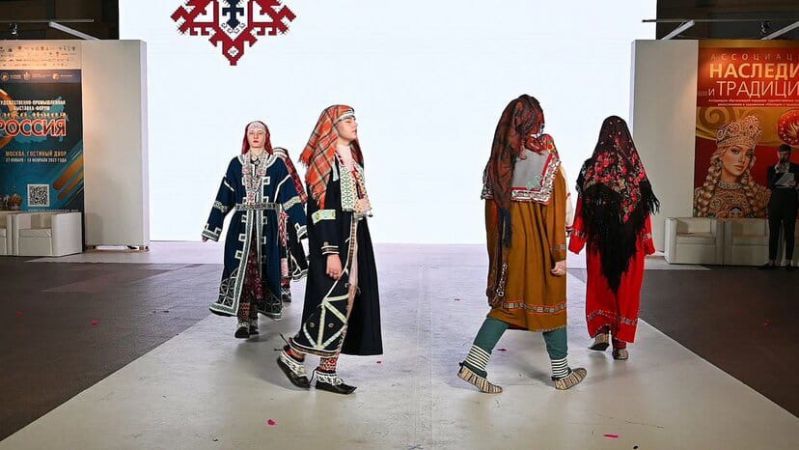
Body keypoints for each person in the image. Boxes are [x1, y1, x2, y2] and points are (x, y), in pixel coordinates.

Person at [459, 95, 587, 394]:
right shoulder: (545, 157)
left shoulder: (498, 162)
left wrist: (498, 255)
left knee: (507, 305)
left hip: (509, 248)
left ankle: (474, 366)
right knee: (551, 301)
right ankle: (560, 372)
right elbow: (554, 211)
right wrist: (559, 253)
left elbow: (491, 217)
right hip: (540, 246)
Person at [277, 105, 382, 395]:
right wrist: (330, 252)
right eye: (348, 120)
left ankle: (327, 371)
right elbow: (320, 211)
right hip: (334, 243)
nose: (354, 123)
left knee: (348, 303)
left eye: (354, 118)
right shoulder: (323, 163)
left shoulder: (353, 160)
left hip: (356, 238)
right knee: (329, 304)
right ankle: (294, 353)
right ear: (332, 127)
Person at [202, 121, 307, 338]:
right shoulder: (235, 164)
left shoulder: (277, 165)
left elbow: (290, 197)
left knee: (261, 272)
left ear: (266, 137)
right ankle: (243, 320)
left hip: (267, 228)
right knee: (241, 271)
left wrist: (301, 225)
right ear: (246, 136)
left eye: (260, 132)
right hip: (240, 227)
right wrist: (212, 225)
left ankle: (254, 317)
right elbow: (224, 195)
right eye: (251, 132)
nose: (256, 136)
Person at [569, 116, 658, 360]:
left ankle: (601, 333)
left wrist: (577, 240)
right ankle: (620, 345)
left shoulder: (591, 167)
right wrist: (647, 243)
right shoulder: (634, 168)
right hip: (630, 246)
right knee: (625, 291)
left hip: (599, 243)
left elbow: (582, 208)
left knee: (600, 287)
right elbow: (643, 212)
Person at [694, 115, 770, 218]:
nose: (742, 159)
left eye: (748, 154)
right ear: (721, 155)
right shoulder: (699, 196)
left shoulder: (761, 196)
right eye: (735, 151)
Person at [760, 144, 799, 270]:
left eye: (786, 154)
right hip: (775, 203)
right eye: (781, 154)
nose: (783, 157)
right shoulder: (772, 168)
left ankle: (788, 262)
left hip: (790, 203)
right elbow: (770, 186)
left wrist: (796, 185)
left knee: (789, 233)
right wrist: (777, 171)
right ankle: (771, 261)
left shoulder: (796, 168)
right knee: (773, 233)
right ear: (777, 154)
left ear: (790, 155)